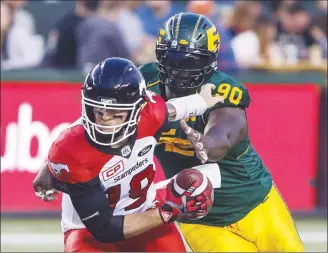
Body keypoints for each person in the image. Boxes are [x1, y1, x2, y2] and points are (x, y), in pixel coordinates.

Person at [138, 12, 304, 252]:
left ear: (210, 61)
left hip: (255, 203)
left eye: (190, 61)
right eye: (171, 58)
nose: (178, 69)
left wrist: (205, 144)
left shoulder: (221, 88)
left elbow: (223, 136)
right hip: (201, 219)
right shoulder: (144, 82)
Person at [33, 57, 220, 252]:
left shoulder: (151, 113)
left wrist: (201, 102)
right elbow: (104, 229)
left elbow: (171, 110)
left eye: (115, 113)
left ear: (137, 111)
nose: (104, 120)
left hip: (144, 211)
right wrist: (170, 210)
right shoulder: (72, 151)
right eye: (98, 110)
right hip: (90, 232)